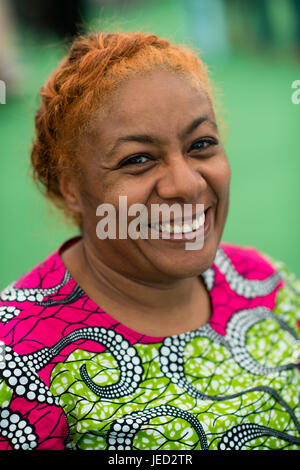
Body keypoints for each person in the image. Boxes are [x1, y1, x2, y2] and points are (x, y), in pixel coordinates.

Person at [0, 32, 299, 451]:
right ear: (70, 186)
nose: (186, 184)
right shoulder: (18, 356)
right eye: (138, 159)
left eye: (201, 145)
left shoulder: (267, 282)